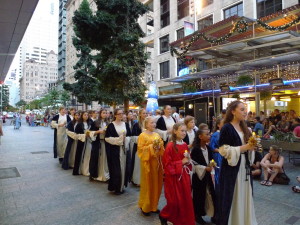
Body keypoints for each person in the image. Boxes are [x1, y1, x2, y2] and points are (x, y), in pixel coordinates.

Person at [218, 100, 257, 225]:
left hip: (244, 166)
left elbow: (248, 147)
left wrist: (252, 147)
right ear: (233, 111)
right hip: (232, 169)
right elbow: (223, 150)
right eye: (242, 109)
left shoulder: (245, 127)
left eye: (245, 109)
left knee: (244, 194)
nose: (245, 112)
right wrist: (244, 148)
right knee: (234, 196)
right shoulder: (226, 128)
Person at [159, 122, 195, 225]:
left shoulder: (184, 144)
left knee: (184, 200)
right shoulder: (170, 146)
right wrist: (181, 162)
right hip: (173, 178)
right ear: (175, 131)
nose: (184, 133)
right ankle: (164, 215)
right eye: (182, 130)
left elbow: (187, 159)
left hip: (184, 176)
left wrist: (188, 161)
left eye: (185, 131)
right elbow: (167, 165)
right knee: (174, 201)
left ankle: (182, 221)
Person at [137, 116, 164, 216]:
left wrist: (159, 146)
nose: (154, 124)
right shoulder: (142, 136)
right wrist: (152, 147)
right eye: (151, 123)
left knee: (156, 184)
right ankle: (145, 206)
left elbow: (161, 146)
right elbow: (140, 150)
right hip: (147, 163)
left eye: (154, 123)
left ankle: (153, 205)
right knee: (148, 184)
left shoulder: (157, 134)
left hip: (157, 163)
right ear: (146, 124)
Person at [191, 129, 217, 225]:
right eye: (207, 134)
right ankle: (198, 215)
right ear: (200, 136)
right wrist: (204, 168)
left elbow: (211, 159)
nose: (209, 136)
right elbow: (193, 164)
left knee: (211, 194)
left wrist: (212, 164)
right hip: (199, 177)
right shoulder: (196, 150)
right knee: (199, 195)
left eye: (209, 134)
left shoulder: (208, 148)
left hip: (207, 176)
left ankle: (214, 214)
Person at [105, 109, 131, 195]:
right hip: (115, 151)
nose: (121, 115)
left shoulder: (125, 124)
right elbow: (107, 138)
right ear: (115, 115)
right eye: (119, 114)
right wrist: (119, 140)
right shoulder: (111, 125)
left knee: (124, 167)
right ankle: (117, 187)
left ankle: (122, 185)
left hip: (124, 150)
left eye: (122, 113)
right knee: (116, 169)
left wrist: (125, 139)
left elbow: (130, 136)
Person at [130, 108, 147, 186]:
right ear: (140, 114)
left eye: (146, 113)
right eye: (143, 113)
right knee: (138, 164)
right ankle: (138, 180)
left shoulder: (148, 124)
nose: (145, 115)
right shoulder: (136, 125)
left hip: (147, 148)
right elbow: (133, 137)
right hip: (139, 147)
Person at [95, 109, 110, 182]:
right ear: (100, 114)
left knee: (105, 159)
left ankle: (105, 175)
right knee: (99, 159)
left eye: (106, 113)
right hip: (99, 142)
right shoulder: (96, 122)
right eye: (103, 113)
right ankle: (99, 174)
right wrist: (98, 131)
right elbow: (91, 132)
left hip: (106, 142)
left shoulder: (108, 123)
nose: (105, 114)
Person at [209, 118, 223, 187]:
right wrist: (221, 150)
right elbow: (212, 147)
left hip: (224, 155)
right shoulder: (215, 135)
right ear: (218, 125)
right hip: (218, 156)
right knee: (218, 172)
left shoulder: (224, 133)